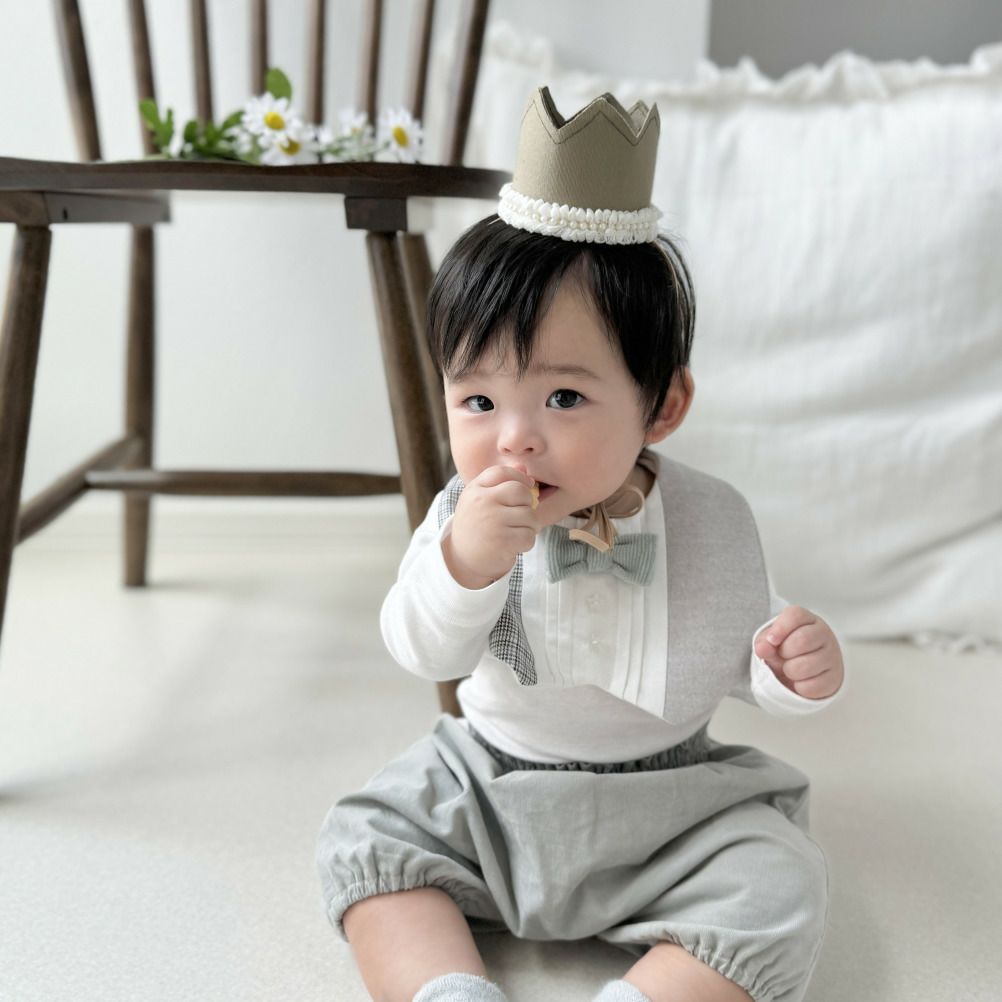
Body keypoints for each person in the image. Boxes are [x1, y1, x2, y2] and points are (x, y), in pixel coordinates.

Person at [316, 87, 845, 1002]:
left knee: (781, 885)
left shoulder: (711, 517)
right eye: (479, 400)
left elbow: (740, 649)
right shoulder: (463, 514)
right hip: (490, 783)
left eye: (563, 398)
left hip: (673, 806)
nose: (514, 438)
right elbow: (420, 649)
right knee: (365, 837)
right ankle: (449, 991)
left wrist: (791, 672)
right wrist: (465, 566)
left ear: (663, 406)